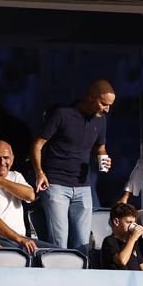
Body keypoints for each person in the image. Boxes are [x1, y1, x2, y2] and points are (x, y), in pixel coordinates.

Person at [31, 79, 114, 250]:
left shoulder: (101, 120)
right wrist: (39, 173)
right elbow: (37, 144)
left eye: (110, 105)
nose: (107, 109)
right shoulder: (63, 114)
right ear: (91, 98)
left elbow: (101, 148)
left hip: (83, 187)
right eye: (104, 104)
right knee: (59, 241)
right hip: (55, 184)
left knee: (83, 244)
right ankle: (56, 276)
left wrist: (104, 157)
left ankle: (80, 276)